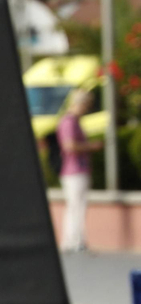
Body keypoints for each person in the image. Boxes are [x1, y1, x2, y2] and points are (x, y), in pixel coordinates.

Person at [56, 89, 99, 252]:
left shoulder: (74, 121)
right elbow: (69, 146)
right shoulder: (69, 122)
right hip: (74, 170)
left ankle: (76, 239)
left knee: (77, 206)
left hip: (78, 169)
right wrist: (91, 146)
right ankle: (72, 241)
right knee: (75, 206)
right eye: (86, 105)